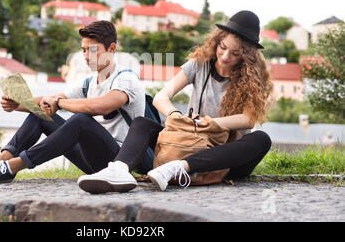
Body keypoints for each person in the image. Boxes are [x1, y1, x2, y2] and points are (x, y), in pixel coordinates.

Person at [78, 10, 274, 193]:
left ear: (247, 56)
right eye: (222, 48)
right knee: (142, 123)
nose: (224, 56)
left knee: (262, 139)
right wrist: (175, 115)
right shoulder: (200, 64)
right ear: (217, 42)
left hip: (223, 157)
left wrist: (206, 124)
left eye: (235, 53)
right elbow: (161, 97)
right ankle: (119, 170)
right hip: (188, 142)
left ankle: (180, 168)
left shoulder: (253, 78)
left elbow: (248, 119)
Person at [0, 20, 146, 184]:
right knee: (41, 116)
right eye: (83, 50)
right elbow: (49, 101)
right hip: (92, 160)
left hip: (118, 163)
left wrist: (59, 103)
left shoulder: (126, 79)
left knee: (81, 120)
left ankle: (12, 167)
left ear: (111, 49)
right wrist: (17, 105)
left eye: (92, 51)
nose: (86, 57)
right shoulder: (89, 82)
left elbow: (101, 106)